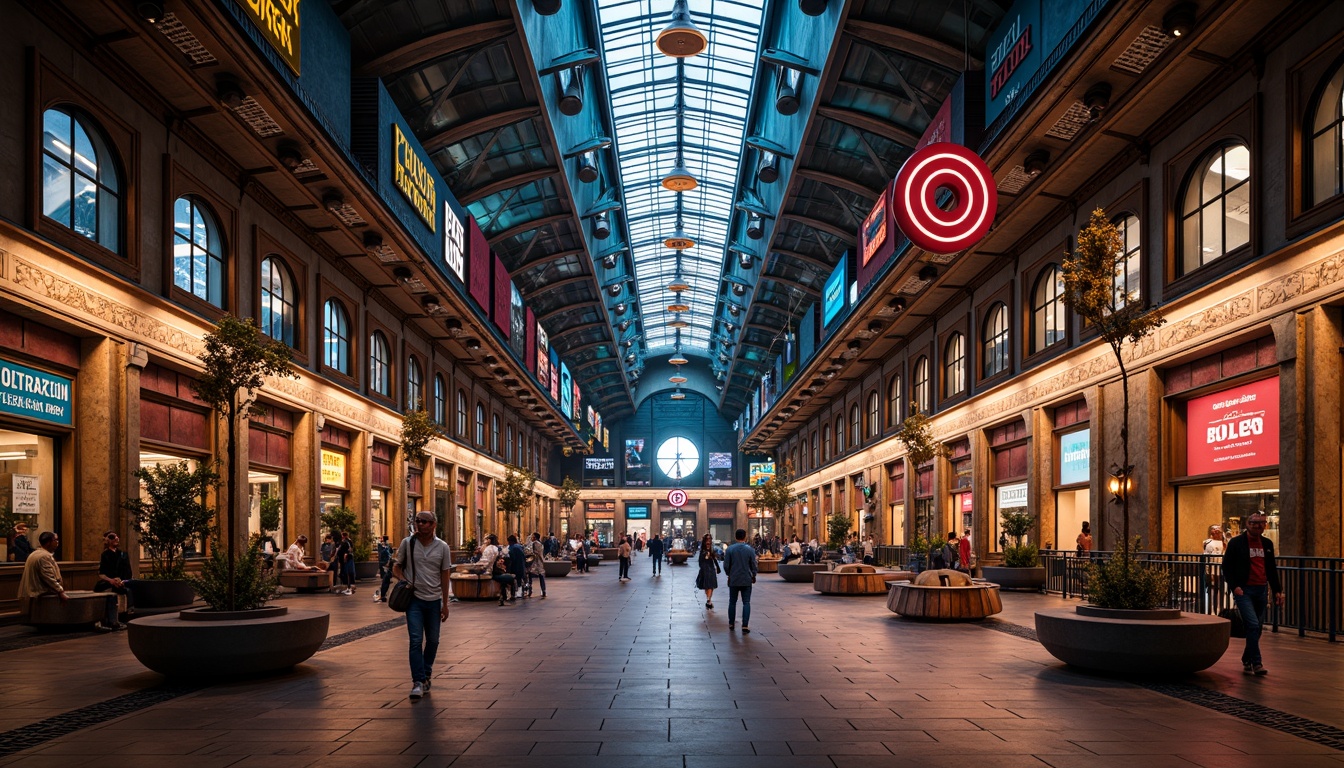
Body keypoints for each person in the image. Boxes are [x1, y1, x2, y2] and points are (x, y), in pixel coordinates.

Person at [391, 511, 451, 700]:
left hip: (434, 600)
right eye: (417, 521)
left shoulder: (443, 547)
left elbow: (445, 575)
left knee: (433, 640)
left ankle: (426, 674)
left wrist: (445, 603)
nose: (420, 524)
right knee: (416, 640)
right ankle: (417, 681)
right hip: (414, 600)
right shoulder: (407, 543)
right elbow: (396, 567)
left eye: (424, 521)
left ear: (434, 524)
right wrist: (404, 581)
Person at [20, 531, 121, 631]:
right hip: (42, 593)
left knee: (86, 593)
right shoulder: (44, 556)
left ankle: (102, 622)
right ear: (48, 542)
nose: (58, 542)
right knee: (109, 596)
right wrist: (60, 591)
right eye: (56, 540)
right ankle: (110, 622)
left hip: (39, 591)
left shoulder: (36, 553)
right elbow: (48, 577)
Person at [1222, 512, 1284, 676]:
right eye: (1254, 523)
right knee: (1253, 624)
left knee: (1257, 629)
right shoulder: (1236, 543)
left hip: (1261, 589)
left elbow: (1271, 569)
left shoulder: (1267, 544)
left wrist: (1278, 590)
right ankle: (1256, 663)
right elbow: (1227, 567)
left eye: (1261, 523)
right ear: (1247, 524)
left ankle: (1246, 657)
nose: (1258, 526)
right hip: (1244, 590)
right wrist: (1234, 586)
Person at [723, 528, 758, 633]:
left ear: (735, 537)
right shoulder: (750, 550)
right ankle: (745, 625)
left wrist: (729, 574)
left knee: (732, 602)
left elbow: (726, 565)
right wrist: (754, 574)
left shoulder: (730, 549)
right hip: (746, 579)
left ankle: (731, 623)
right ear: (745, 537)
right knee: (746, 602)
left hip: (734, 579)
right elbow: (753, 564)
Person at [94, 530, 134, 614]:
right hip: (111, 582)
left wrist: (123, 581)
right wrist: (111, 580)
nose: (116, 538)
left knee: (130, 587)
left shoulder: (123, 554)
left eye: (116, 536)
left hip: (122, 582)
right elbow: (102, 574)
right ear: (107, 540)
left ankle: (129, 611)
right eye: (112, 537)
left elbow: (128, 572)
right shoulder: (105, 555)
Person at [696, 533, 719, 609]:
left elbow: (714, 558)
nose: (709, 541)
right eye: (707, 539)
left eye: (710, 539)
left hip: (710, 568)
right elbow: (700, 561)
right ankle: (708, 599)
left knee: (710, 585)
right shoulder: (703, 550)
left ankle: (709, 599)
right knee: (707, 585)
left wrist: (718, 567)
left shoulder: (711, 548)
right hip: (705, 569)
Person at [331, 530, 354, 595]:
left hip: (345, 560)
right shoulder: (342, 542)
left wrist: (345, 556)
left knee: (345, 573)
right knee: (343, 573)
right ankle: (345, 587)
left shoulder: (346, 542)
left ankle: (347, 588)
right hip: (342, 560)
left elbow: (348, 551)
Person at [507, 534, 527, 601]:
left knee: (513, 579)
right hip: (521, 565)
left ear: (510, 541)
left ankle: (514, 593)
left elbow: (511, 557)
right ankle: (521, 592)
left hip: (514, 565)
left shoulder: (511, 547)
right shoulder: (520, 546)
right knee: (520, 579)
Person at [527, 532, 547, 598]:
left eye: (532, 536)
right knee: (541, 577)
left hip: (535, 562)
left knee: (530, 575)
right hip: (540, 562)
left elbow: (531, 552)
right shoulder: (540, 544)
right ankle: (543, 590)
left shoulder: (534, 543)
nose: (531, 538)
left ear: (535, 537)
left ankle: (530, 591)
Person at [375, 535, 393, 602]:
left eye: (381, 538)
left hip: (386, 564)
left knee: (386, 579)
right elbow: (381, 554)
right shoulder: (381, 546)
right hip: (383, 564)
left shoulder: (387, 546)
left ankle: (383, 594)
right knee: (384, 579)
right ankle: (383, 594)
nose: (380, 539)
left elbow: (390, 553)